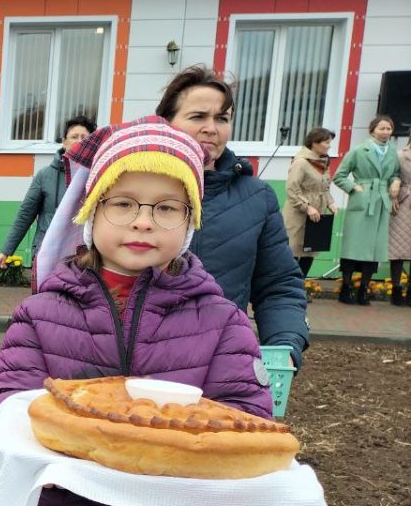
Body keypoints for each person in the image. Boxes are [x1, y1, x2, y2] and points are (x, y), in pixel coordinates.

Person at [0, 119, 273, 506]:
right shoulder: (41, 314)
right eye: (124, 203)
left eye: (167, 208)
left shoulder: (223, 322)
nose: (144, 221)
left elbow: (245, 426)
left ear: (190, 221)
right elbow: (10, 415)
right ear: (91, 210)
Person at [151, 66, 308, 366]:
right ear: (167, 123)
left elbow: (278, 285)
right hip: (137, 363)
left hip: (220, 363)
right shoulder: (134, 189)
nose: (211, 128)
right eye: (198, 116)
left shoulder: (257, 197)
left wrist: (286, 343)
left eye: (222, 119)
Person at [0, 115, 96, 276]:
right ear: (64, 142)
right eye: (74, 137)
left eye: (84, 137)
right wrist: (7, 250)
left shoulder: (98, 176)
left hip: (83, 255)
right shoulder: (45, 175)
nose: (79, 141)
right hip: (48, 251)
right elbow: (25, 215)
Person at [332, 115, 402, 306]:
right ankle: (346, 288)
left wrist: (395, 181)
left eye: (389, 129)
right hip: (362, 202)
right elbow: (339, 176)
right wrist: (354, 188)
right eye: (382, 128)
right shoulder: (358, 151)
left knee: (374, 250)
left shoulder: (392, 153)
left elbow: (395, 173)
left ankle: (364, 289)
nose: (386, 132)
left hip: (381, 203)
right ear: (372, 130)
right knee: (353, 246)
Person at [283, 127, 336, 277]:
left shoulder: (323, 162)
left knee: (310, 250)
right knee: (293, 249)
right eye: (326, 142)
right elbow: (292, 188)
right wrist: (307, 207)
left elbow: (324, 187)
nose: (329, 145)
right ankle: (288, 286)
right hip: (298, 212)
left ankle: (300, 285)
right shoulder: (301, 162)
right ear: (315, 143)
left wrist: (330, 202)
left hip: (317, 211)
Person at [394, 137, 411, 306]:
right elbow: (392, 175)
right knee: (398, 248)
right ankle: (396, 290)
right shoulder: (400, 155)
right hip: (403, 201)